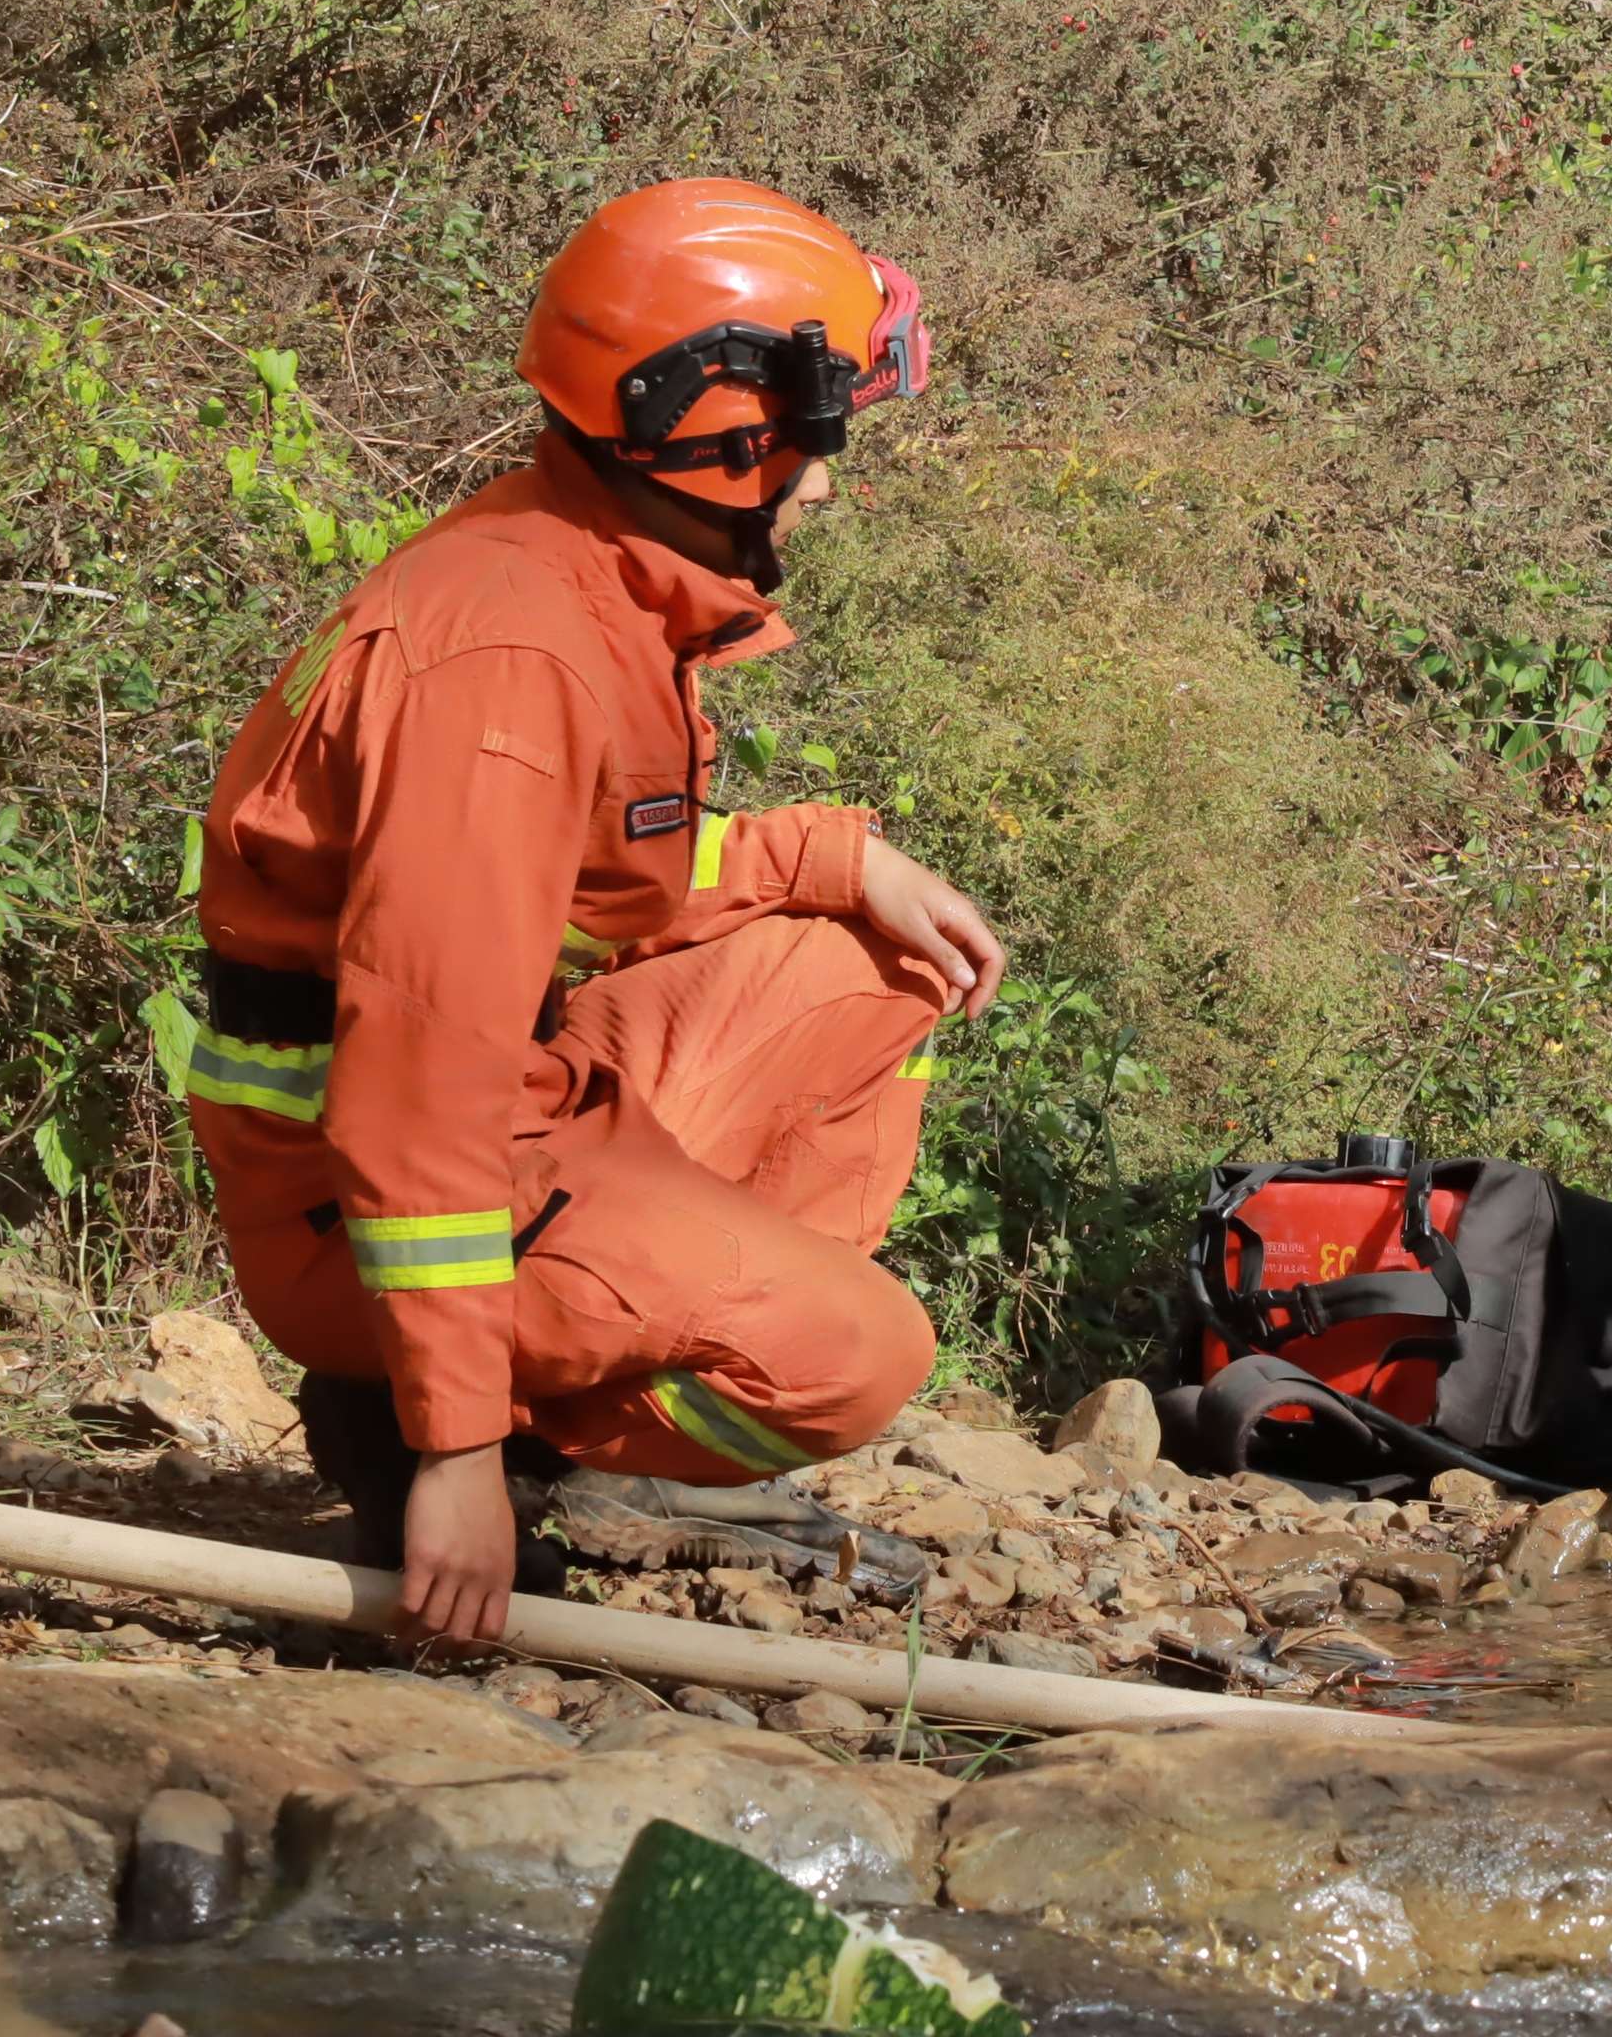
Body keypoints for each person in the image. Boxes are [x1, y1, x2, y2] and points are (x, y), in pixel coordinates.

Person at [185, 176, 1009, 1643]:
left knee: (876, 970)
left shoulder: (581, 564)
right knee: (859, 1359)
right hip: (370, 1193)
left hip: (513, 1105)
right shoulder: (515, 662)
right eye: (823, 441)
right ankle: (479, 1435)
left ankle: (569, 1392)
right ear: (725, 433)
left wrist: (834, 860)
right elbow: (417, 1074)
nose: (825, 482)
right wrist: (449, 1455)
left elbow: (615, 879)